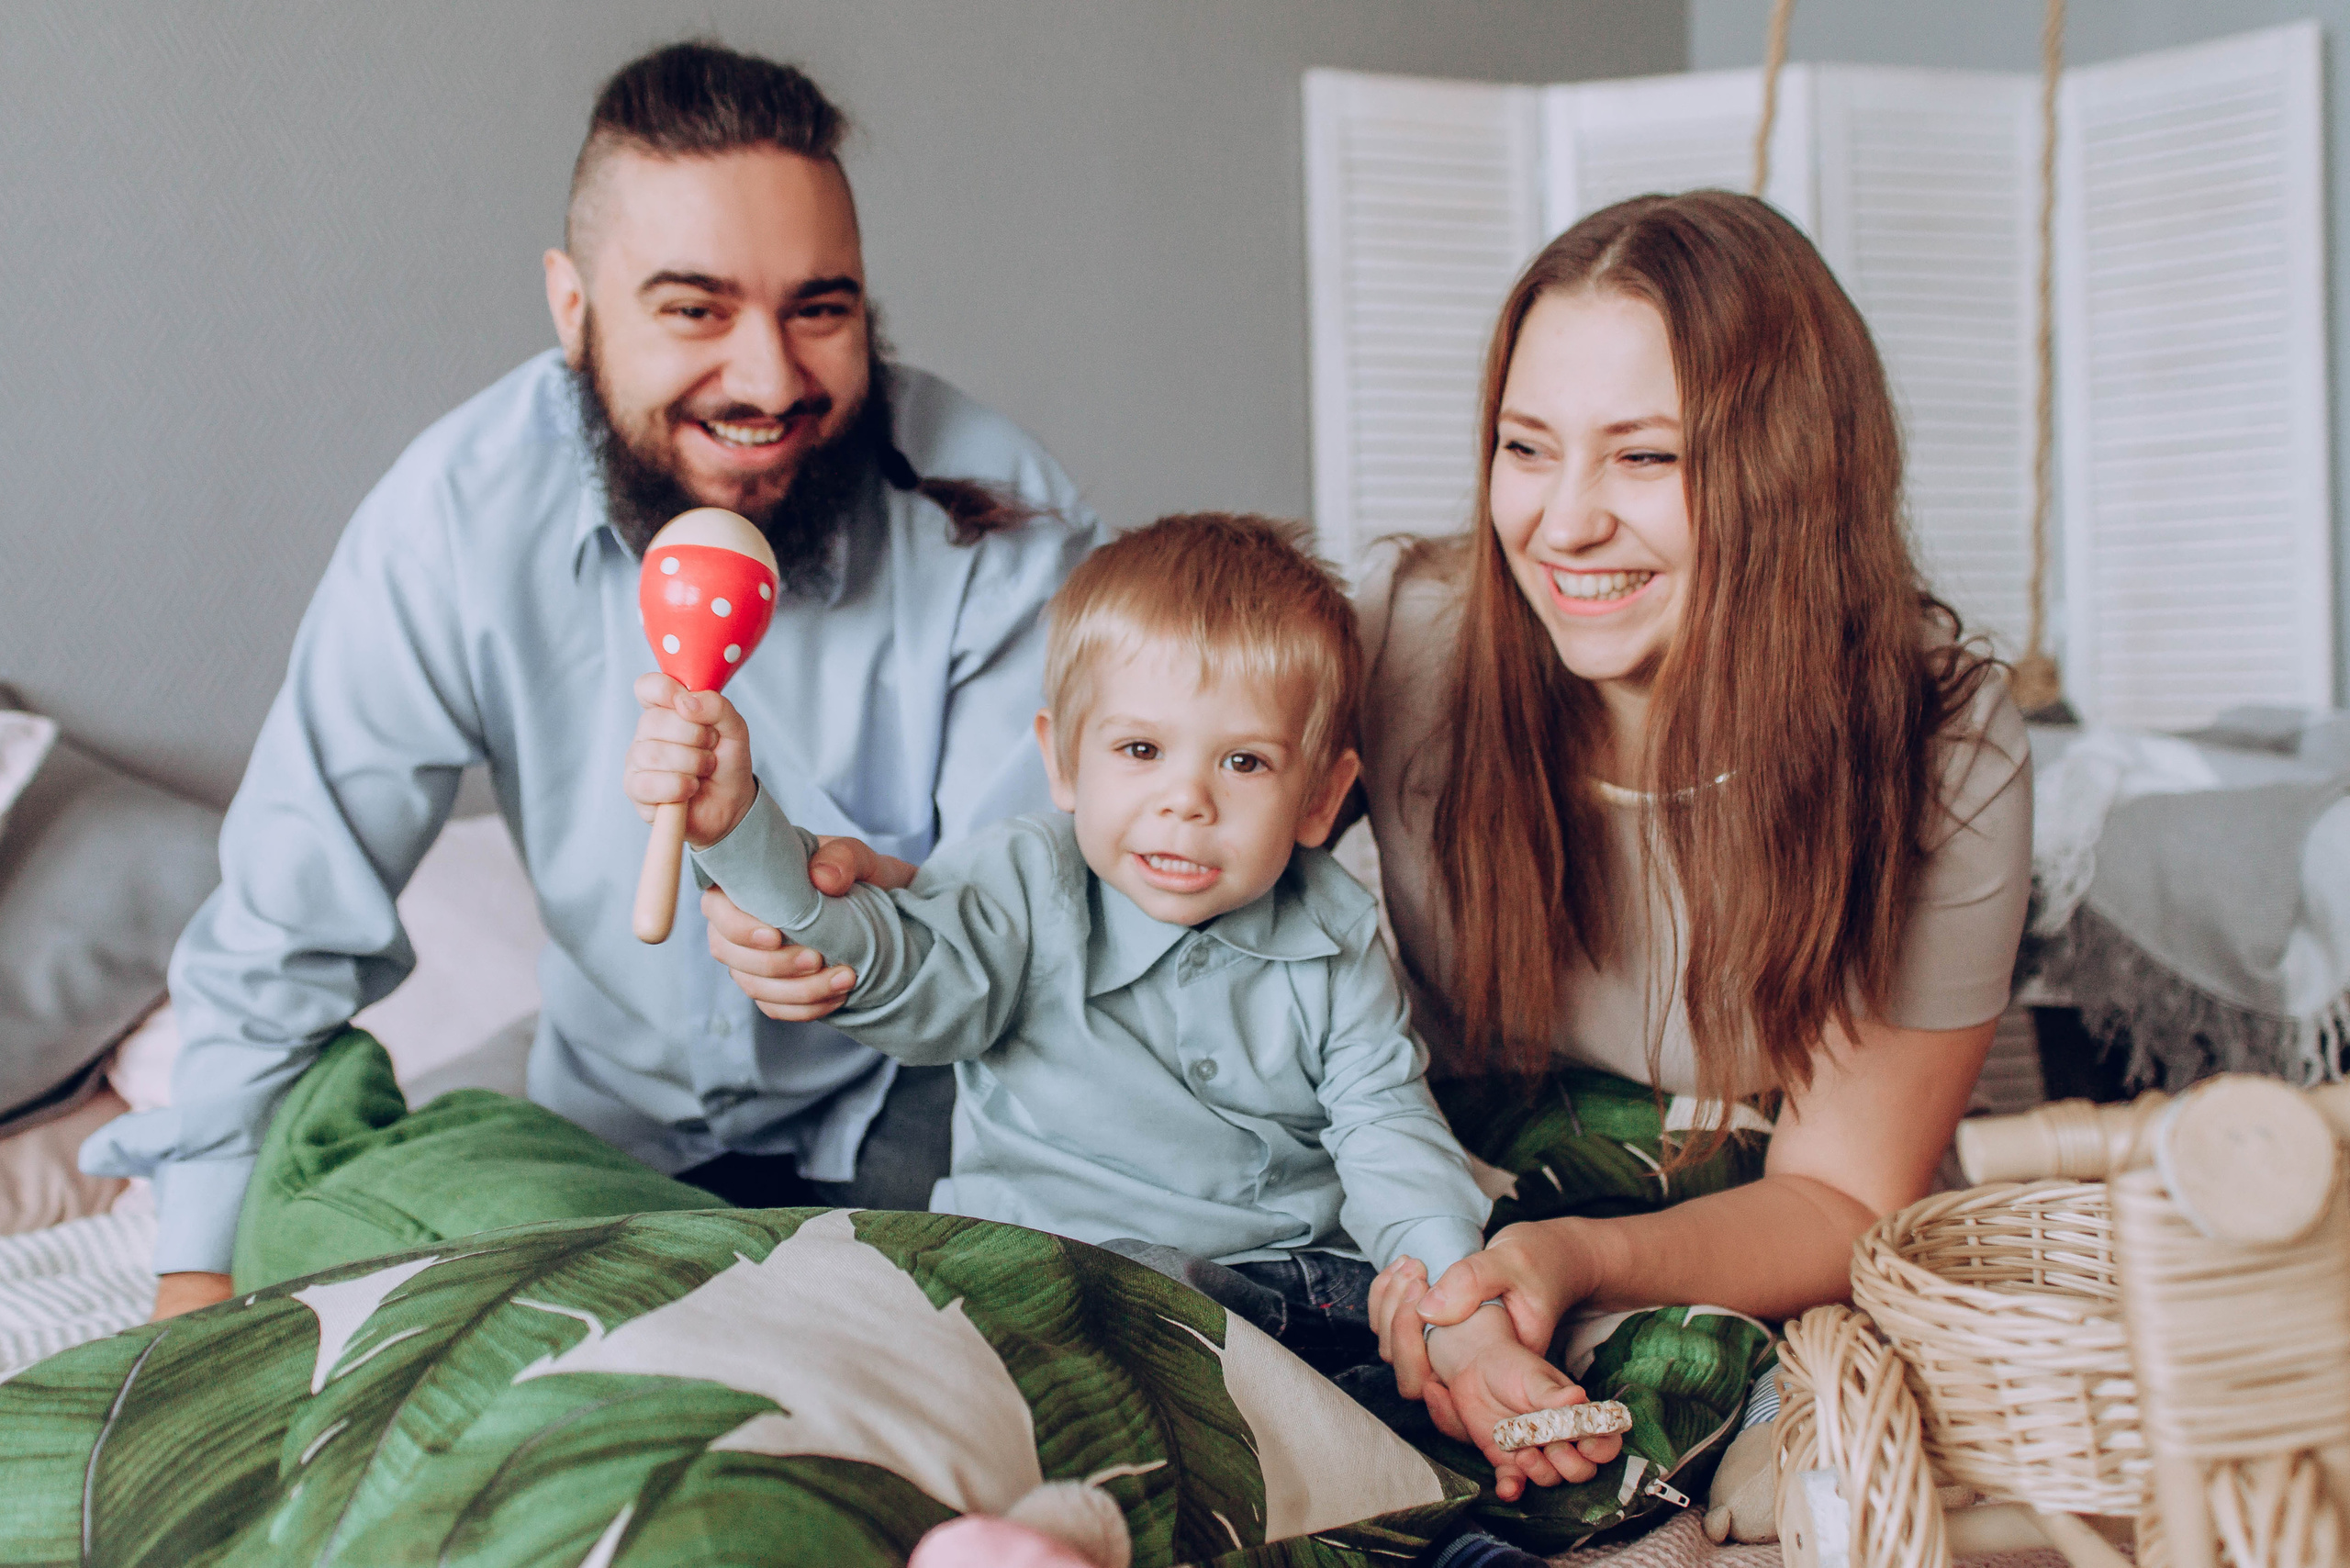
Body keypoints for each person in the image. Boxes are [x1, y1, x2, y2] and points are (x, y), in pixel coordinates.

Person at [84, 41, 1100, 1320]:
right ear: (572, 307)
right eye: (694, 309)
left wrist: (886, 919)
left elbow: (1044, 940)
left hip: (918, 1117)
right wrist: (197, 1278)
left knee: (1005, 1306)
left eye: (819, 309)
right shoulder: (453, 521)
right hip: (597, 1131)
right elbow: (290, 918)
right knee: (334, 1202)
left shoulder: (1002, 526)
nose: (770, 378)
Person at [624, 512, 1607, 1472]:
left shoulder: (1334, 933)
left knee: (1380, 1342)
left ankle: (1411, 1473)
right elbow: (898, 963)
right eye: (1141, 750)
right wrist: (739, 829)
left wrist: (1459, 1305)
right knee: (901, 1317)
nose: (1187, 799)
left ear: (1319, 797)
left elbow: (1386, 1127)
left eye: (1243, 761)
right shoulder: (1024, 884)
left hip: (1277, 1288)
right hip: (1049, 1274)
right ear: (1060, 760)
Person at [1344, 190, 2032, 1503]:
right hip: (1468, 1206)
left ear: (1793, 472)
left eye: (1646, 459)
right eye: (1526, 448)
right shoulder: (1408, 642)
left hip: (1756, 1242)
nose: (1563, 522)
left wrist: (1575, 1261)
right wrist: (916, 906)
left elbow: (1839, 1198)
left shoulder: (1942, 737)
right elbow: (1166, 831)